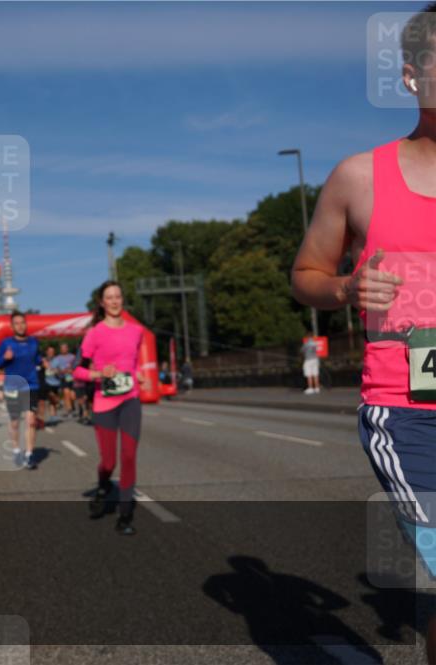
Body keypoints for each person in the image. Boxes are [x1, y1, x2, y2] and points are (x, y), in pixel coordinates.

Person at [290, 6, 436, 660]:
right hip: (409, 414)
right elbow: (307, 272)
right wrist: (345, 288)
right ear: (412, 76)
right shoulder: (359, 176)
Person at [74, 281, 146, 535]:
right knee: (109, 461)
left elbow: (134, 363)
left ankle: (125, 516)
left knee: (128, 455)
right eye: (109, 297)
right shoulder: (94, 333)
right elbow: (78, 370)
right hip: (104, 402)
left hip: (130, 399)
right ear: (102, 303)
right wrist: (98, 373)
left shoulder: (136, 332)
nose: (115, 301)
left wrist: (139, 375)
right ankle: (104, 485)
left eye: (118, 296)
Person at [0, 312, 41, 470]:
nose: (21, 325)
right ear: (12, 326)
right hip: (12, 386)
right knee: (15, 422)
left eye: (23, 322)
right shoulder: (5, 343)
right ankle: (16, 450)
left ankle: (29, 455)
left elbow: (37, 360)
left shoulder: (34, 342)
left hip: (31, 385)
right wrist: (5, 358)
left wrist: (44, 362)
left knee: (30, 420)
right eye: (17, 323)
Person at [56, 342, 77, 416]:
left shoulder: (73, 357)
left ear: (67, 348)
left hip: (73, 378)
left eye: (65, 348)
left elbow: (77, 367)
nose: (63, 349)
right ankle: (69, 410)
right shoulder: (58, 358)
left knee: (73, 396)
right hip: (64, 378)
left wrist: (72, 370)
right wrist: (60, 371)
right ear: (60, 349)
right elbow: (54, 368)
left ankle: (72, 406)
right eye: (62, 348)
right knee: (66, 393)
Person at [42, 346, 61, 418]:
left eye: (52, 352)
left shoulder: (57, 360)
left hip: (56, 382)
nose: (51, 353)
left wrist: (57, 371)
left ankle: (53, 415)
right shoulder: (43, 360)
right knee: (51, 396)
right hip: (46, 382)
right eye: (49, 352)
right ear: (47, 352)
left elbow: (60, 370)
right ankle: (58, 402)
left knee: (52, 401)